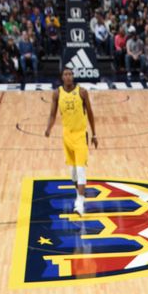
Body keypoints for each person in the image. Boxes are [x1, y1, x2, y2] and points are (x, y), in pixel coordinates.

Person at [45, 68, 98, 216]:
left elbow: (91, 114)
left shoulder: (82, 92)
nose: (68, 77)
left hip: (81, 135)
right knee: (73, 173)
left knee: (81, 170)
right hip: (66, 136)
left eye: (70, 74)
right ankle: (79, 194)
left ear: (73, 76)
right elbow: (52, 114)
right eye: (65, 74)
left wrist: (94, 134)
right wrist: (48, 128)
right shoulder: (57, 93)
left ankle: (80, 203)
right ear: (62, 77)